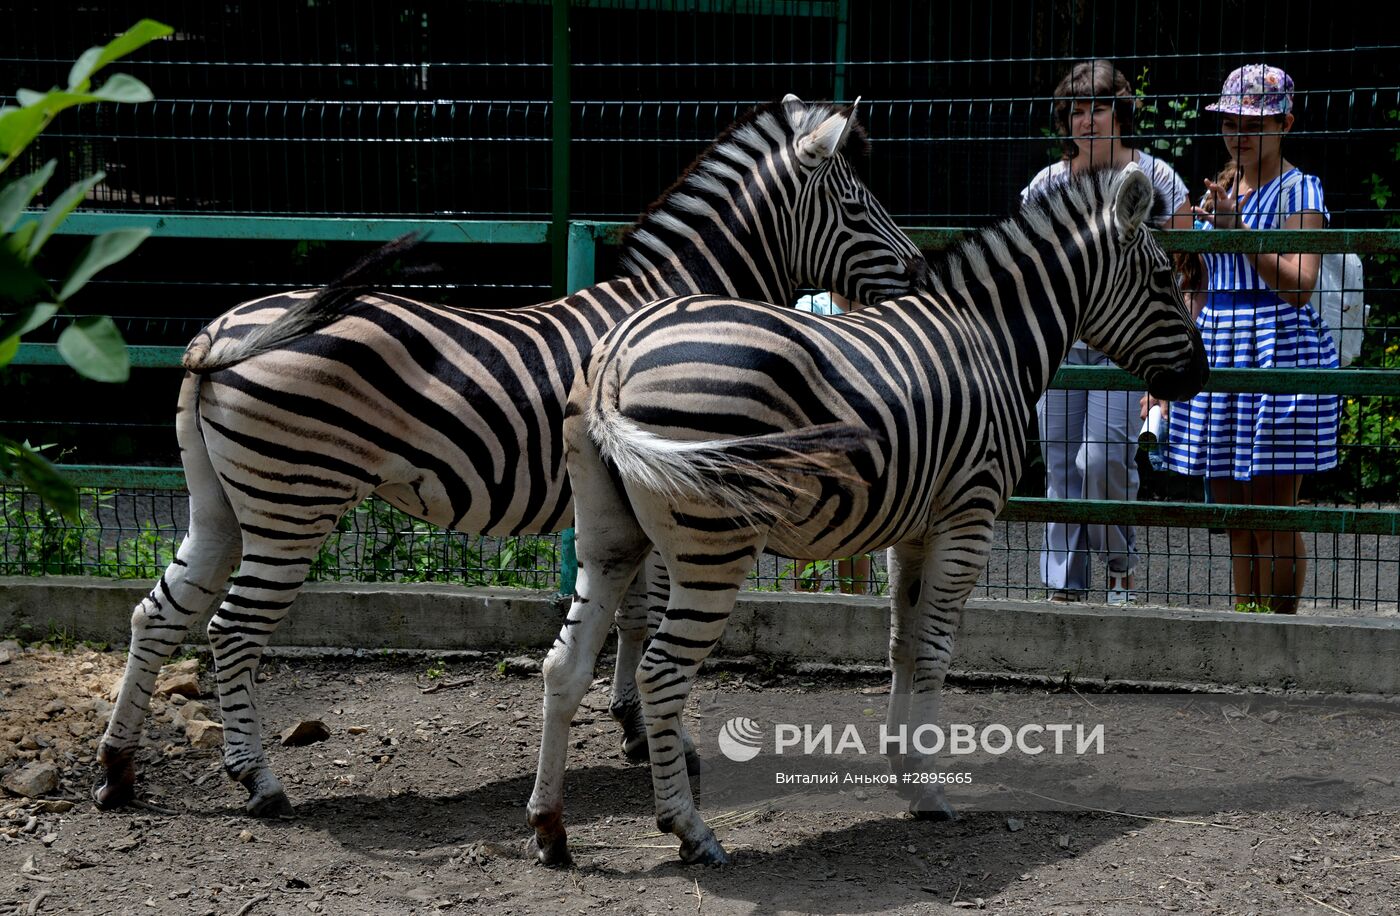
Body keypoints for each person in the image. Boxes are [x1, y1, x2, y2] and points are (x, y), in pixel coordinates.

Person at [1160, 64, 1338, 615]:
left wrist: (1241, 234)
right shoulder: (1219, 188)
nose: (1239, 134)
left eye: (1254, 123)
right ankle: (1246, 627)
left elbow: (1301, 286)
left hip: (1279, 350)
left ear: (1285, 123)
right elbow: (1196, 282)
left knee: (1273, 513)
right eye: (1231, 122)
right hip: (1221, 351)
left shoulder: (1301, 189)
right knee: (1235, 518)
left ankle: (1279, 633)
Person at [1021, 60, 1192, 606]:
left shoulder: (1160, 181)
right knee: (1059, 467)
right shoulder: (1045, 186)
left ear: (1121, 114)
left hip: (1130, 350)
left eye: (1098, 108)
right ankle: (1062, 590)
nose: (1086, 121)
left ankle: (1121, 572)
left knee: (1102, 462)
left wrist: (1165, 367)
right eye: (1075, 111)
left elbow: (1188, 276)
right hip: (1061, 352)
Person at [791, 290, 875, 595]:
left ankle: (857, 605)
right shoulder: (811, 306)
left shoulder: (877, 310)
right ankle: (804, 604)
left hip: (862, 429)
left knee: (859, 521)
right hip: (817, 428)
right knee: (810, 519)